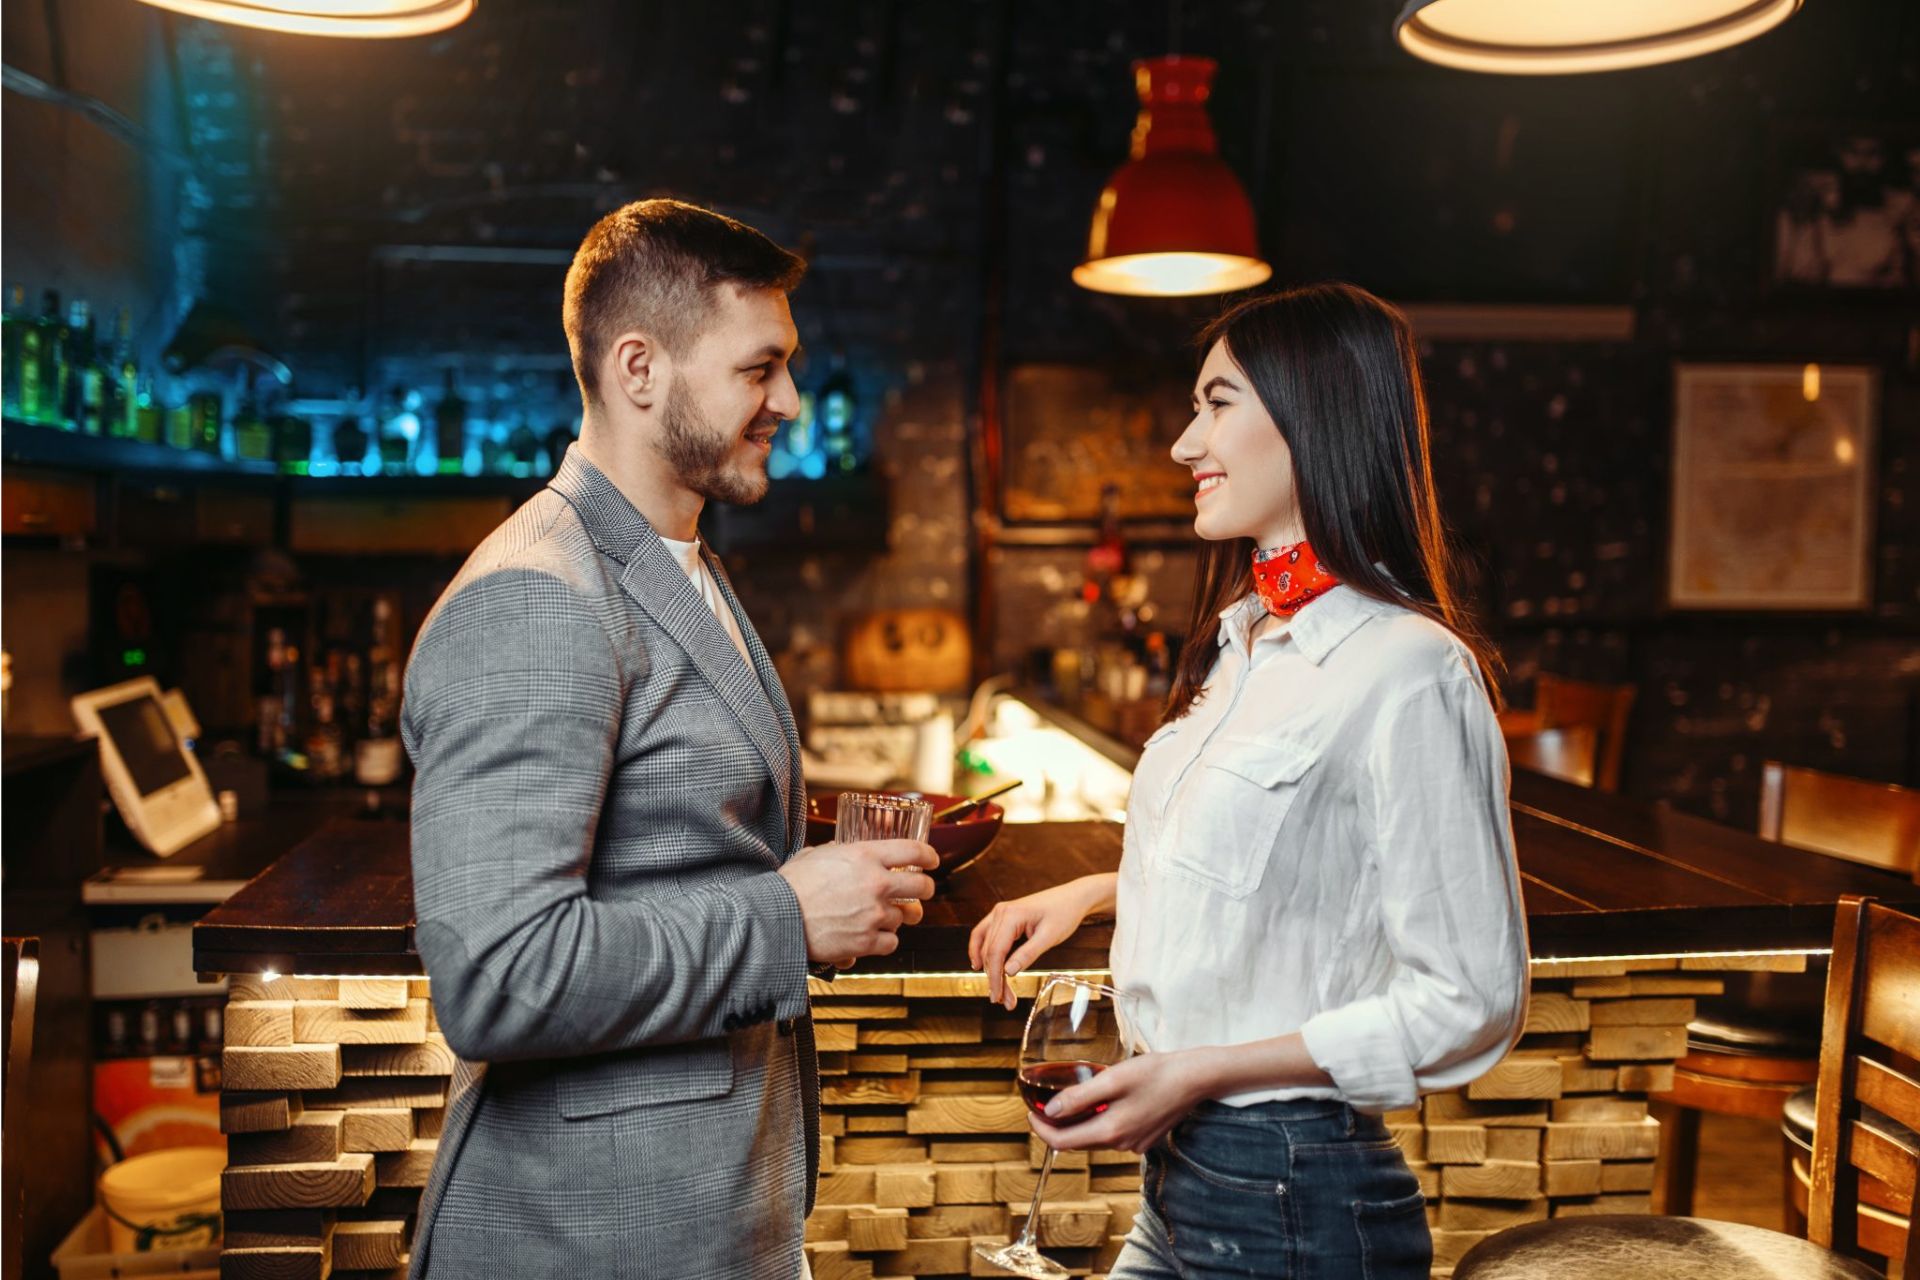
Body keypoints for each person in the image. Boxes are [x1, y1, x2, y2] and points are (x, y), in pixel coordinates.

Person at [402, 199, 938, 1279]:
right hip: (590, 1238)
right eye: (759, 368)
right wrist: (788, 913)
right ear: (639, 369)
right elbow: (498, 976)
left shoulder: (674, 556)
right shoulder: (537, 597)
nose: (788, 399)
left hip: (701, 1224)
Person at [971, 283, 1529, 1279]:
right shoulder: (1241, 641)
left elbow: (1469, 995)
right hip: (1187, 1184)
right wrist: (1106, 889)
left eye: (1216, 404)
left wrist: (1200, 1068)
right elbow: (1294, 867)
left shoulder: (1409, 668)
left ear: (1313, 416)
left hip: (1297, 1194)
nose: (1186, 444)